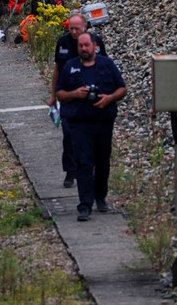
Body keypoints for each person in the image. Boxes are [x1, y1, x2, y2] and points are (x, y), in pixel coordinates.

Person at [55, 32, 126, 222]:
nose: (84, 49)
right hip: (80, 123)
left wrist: (109, 98)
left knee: (102, 162)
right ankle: (84, 205)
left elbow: (122, 88)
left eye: (87, 45)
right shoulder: (70, 67)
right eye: (80, 46)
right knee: (84, 163)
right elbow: (60, 94)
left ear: (94, 46)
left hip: (103, 122)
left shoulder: (107, 64)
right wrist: (76, 94)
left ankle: (100, 197)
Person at [48, 14, 108, 190]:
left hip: (91, 95)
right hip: (69, 96)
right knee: (68, 134)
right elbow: (57, 70)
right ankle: (70, 170)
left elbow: (104, 67)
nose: (73, 32)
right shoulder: (63, 42)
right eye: (71, 28)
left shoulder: (96, 43)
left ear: (85, 27)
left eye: (77, 29)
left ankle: (92, 170)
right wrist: (53, 95)